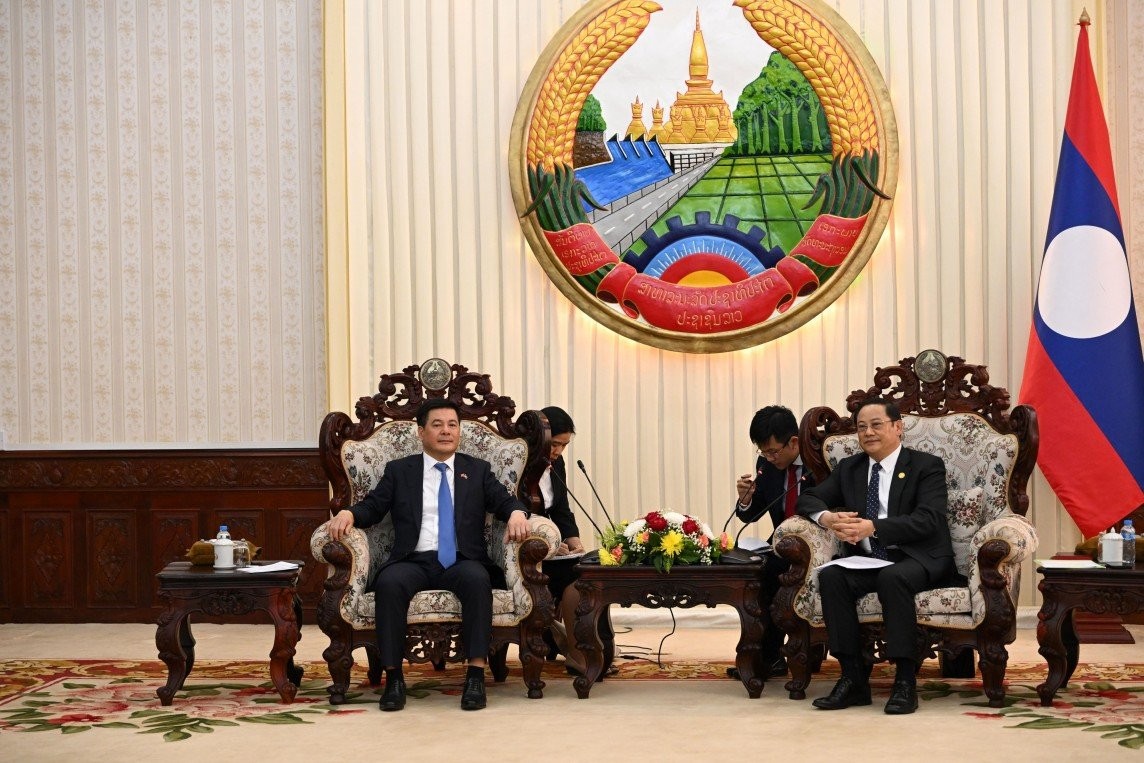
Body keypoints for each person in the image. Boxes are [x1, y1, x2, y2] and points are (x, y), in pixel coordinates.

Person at [327, 398, 531, 712]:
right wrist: (349, 514)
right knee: (390, 584)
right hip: (413, 559)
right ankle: (394, 679)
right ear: (421, 432)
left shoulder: (476, 470)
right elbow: (374, 507)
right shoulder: (400, 471)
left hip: (462, 559)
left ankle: (475, 676)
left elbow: (505, 501)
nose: (446, 431)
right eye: (437, 425)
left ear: (459, 431)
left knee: (477, 581)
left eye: (452, 425)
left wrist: (517, 513)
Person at [796, 398, 954, 715]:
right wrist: (827, 518)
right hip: (871, 561)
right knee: (832, 576)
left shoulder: (926, 466)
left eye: (876, 425)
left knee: (893, 577)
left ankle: (905, 681)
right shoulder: (850, 469)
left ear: (898, 427)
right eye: (861, 427)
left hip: (918, 557)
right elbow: (808, 498)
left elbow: (929, 519)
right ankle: (853, 679)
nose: (868, 432)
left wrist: (874, 528)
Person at [730, 405, 815, 680]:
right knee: (749, 570)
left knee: (770, 573)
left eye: (773, 451)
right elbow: (752, 514)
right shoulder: (767, 465)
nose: (768, 457)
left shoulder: (818, 460)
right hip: (780, 543)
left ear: (794, 442)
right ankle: (764, 655)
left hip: (815, 545)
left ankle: (767, 658)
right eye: (763, 451)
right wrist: (745, 500)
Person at [523, 406, 588, 674]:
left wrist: (574, 542)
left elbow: (561, 509)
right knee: (575, 576)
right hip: (524, 551)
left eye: (564, 445)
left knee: (590, 569)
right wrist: (547, 543)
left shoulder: (556, 464)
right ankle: (577, 653)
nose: (558, 451)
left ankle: (596, 649)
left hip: (552, 548)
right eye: (555, 444)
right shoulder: (516, 461)